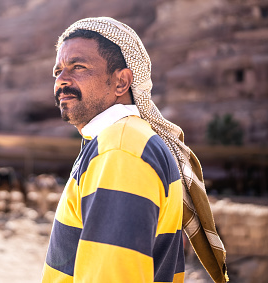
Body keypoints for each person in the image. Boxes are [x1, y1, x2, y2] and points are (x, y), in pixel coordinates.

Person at [42, 17, 228, 283]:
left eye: (78, 66)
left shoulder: (120, 151)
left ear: (121, 82)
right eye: (58, 71)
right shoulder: (122, 141)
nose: (62, 80)